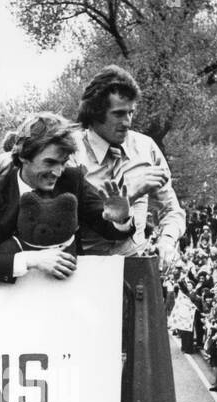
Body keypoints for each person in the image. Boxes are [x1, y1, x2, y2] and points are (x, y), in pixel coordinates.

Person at [0, 112, 134, 283]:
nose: (58, 172)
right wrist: (32, 260)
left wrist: (120, 220)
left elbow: (106, 225)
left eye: (64, 162)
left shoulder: (73, 179)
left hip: (64, 291)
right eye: (50, 162)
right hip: (9, 300)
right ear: (23, 156)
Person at [70, 65, 184, 268]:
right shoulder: (70, 151)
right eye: (119, 114)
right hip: (84, 269)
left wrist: (167, 240)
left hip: (136, 266)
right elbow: (67, 215)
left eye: (131, 113)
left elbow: (171, 209)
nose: (127, 122)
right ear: (95, 113)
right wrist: (129, 194)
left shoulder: (145, 147)